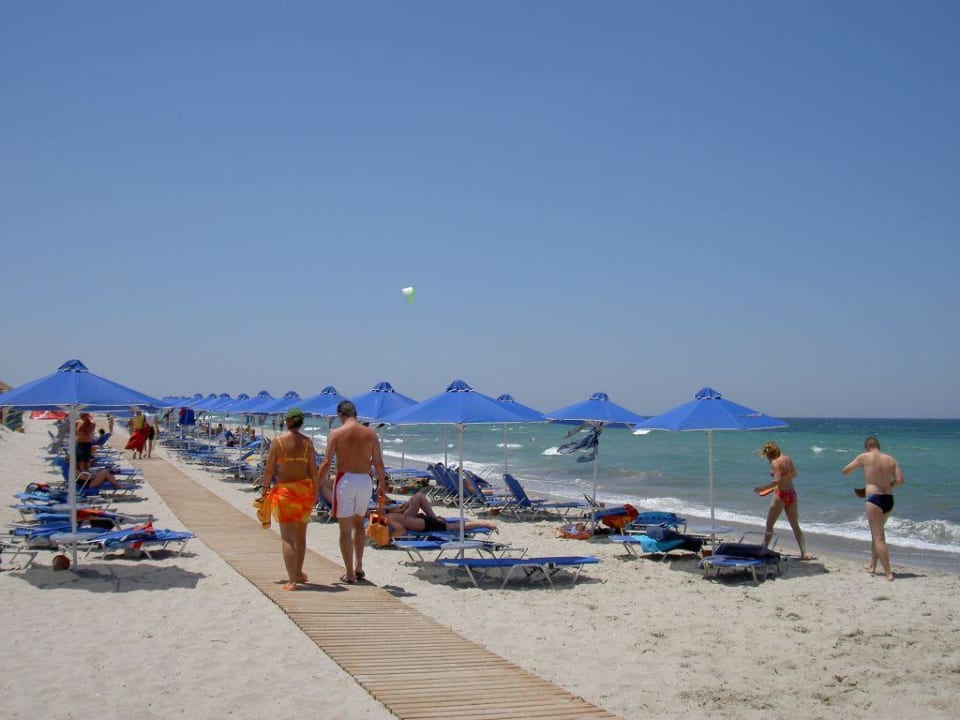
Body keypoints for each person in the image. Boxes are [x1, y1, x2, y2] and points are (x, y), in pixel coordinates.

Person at [316, 400, 386, 584]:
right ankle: (359, 566)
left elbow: (326, 462)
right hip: (365, 481)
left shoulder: (336, 433)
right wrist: (382, 483)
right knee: (359, 524)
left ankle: (349, 574)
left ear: (341, 415)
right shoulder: (370, 434)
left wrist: (317, 483)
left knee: (345, 529)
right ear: (355, 414)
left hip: (345, 479)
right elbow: (378, 462)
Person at [258, 407, 319, 591]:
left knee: (288, 539)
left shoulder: (278, 442)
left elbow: (269, 469)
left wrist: (265, 488)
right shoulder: (308, 443)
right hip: (304, 492)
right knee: (301, 537)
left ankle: (292, 581)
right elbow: (313, 471)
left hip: (285, 492)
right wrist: (315, 492)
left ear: (287, 421)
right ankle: (298, 573)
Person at [842, 436, 904, 581]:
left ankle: (888, 572)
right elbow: (900, 481)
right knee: (877, 533)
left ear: (867, 447)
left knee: (878, 537)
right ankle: (873, 566)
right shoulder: (891, 459)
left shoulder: (864, 457)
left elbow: (845, 471)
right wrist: (889, 484)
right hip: (889, 499)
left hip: (874, 499)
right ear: (878, 446)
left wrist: (863, 468)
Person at [754, 441, 811, 560]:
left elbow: (777, 481)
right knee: (795, 525)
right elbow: (794, 474)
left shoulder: (775, 463)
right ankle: (804, 553)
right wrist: (785, 478)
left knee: (769, 524)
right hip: (792, 493)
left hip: (781, 494)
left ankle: (764, 548)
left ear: (769, 454)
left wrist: (763, 488)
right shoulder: (788, 459)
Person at [385, 491, 499, 537]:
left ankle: (485, 523)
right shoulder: (392, 517)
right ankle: (485, 523)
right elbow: (401, 530)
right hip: (424, 523)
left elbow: (401, 530)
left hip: (425, 523)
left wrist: (389, 538)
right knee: (453, 526)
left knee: (453, 527)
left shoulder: (390, 517)